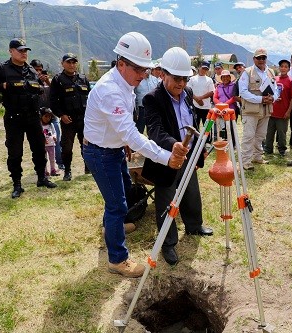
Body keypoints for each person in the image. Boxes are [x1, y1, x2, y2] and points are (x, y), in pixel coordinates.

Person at [83, 32, 187, 278]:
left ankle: (113, 227)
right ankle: (118, 260)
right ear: (121, 64)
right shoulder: (110, 89)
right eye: (139, 69)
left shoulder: (125, 83)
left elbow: (122, 126)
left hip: (112, 147)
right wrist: (164, 156)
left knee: (122, 194)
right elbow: (131, 132)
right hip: (100, 152)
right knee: (117, 204)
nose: (144, 75)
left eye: (146, 70)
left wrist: (123, 143)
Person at [141, 47, 213, 266]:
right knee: (166, 198)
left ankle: (193, 225)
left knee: (191, 190)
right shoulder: (152, 99)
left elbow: (191, 121)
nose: (181, 84)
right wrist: (174, 146)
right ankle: (168, 242)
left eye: (184, 79)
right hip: (167, 157)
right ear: (163, 74)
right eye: (176, 78)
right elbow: (155, 130)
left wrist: (196, 149)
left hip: (188, 154)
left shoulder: (188, 93)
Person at [0, 38, 57, 199]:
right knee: (15, 152)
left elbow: (38, 90)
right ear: (11, 51)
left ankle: (42, 178)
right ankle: (17, 184)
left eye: (25, 51)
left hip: (32, 118)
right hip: (14, 118)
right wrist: (2, 86)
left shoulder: (31, 70)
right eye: (20, 50)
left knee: (38, 148)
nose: (24, 53)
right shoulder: (1, 69)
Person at [50, 53, 91, 181]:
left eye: (74, 62)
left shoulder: (83, 78)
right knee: (67, 147)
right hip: (68, 120)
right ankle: (67, 171)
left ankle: (88, 167)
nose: (71, 65)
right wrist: (61, 115)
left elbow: (90, 98)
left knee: (87, 145)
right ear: (62, 64)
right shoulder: (58, 80)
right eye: (68, 62)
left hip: (83, 119)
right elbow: (53, 101)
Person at [239, 48, 278, 170]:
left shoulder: (271, 72)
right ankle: (245, 161)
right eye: (258, 58)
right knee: (249, 136)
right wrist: (260, 99)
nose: (261, 60)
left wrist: (274, 98)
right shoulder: (247, 72)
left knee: (260, 136)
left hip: (266, 110)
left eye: (263, 58)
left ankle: (257, 157)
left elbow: (276, 90)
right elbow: (243, 92)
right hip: (251, 110)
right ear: (254, 59)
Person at [30, 59, 64, 170]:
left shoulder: (50, 82)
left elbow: (56, 93)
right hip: (38, 118)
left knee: (56, 139)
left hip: (52, 116)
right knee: (39, 143)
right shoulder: (30, 82)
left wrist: (48, 82)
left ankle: (60, 163)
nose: (39, 72)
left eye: (40, 70)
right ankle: (41, 166)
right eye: (36, 70)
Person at [264, 59, 292, 156]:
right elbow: (269, 92)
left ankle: (282, 150)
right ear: (279, 68)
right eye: (281, 66)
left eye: (286, 66)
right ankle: (268, 149)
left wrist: (288, 111)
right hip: (272, 111)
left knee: (282, 133)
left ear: (288, 68)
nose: (283, 68)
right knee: (269, 133)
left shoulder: (290, 81)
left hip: (283, 113)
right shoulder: (274, 79)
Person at [213, 69, 238, 145]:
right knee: (221, 127)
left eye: (227, 77)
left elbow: (234, 97)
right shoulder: (219, 87)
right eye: (223, 77)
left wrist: (225, 105)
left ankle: (232, 143)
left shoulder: (234, 86)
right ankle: (223, 142)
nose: (225, 79)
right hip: (220, 110)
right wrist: (220, 104)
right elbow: (215, 97)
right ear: (221, 78)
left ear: (230, 78)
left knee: (231, 127)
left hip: (231, 110)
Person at [187, 61, 214, 128]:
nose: (204, 70)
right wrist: (197, 99)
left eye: (206, 69)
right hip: (195, 106)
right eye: (203, 68)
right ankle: (196, 139)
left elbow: (211, 92)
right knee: (195, 126)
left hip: (206, 107)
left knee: (207, 127)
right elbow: (188, 90)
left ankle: (208, 138)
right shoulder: (192, 79)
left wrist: (201, 98)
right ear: (199, 67)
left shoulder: (209, 80)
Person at [134, 68, 158, 133]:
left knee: (153, 128)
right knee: (140, 128)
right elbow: (134, 94)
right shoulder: (138, 80)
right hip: (142, 109)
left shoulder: (155, 80)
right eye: (146, 69)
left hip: (153, 108)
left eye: (149, 69)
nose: (147, 71)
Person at [40, 107, 60, 177]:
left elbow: (54, 132)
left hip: (51, 145)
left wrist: (55, 136)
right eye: (45, 116)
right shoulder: (40, 125)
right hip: (43, 146)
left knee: (52, 158)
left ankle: (53, 170)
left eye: (49, 117)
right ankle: (45, 171)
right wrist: (42, 139)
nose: (47, 118)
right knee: (44, 159)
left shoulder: (51, 125)